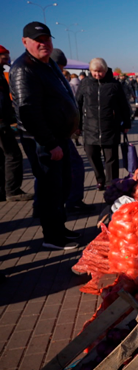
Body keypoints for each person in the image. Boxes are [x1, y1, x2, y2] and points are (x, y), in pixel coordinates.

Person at [10, 22, 80, 249]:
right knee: (51, 189)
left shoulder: (48, 65)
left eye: (47, 39)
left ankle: (59, 228)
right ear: (25, 42)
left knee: (62, 186)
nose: (44, 44)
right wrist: (50, 144)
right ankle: (52, 237)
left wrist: (72, 124)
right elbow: (28, 112)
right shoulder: (23, 69)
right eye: (38, 40)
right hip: (43, 142)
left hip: (59, 137)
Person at [76, 58, 131, 191]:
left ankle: (112, 183)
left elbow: (124, 105)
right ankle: (100, 179)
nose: (98, 74)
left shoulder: (114, 84)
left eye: (100, 71)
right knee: (92, 155)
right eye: (95, 71)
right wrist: (77, 125)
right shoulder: (85, 84)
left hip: (110, 127)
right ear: (90, 70)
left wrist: (126, 123)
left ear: (106, 70)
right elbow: (77, 104)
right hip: (90, 127)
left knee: (111, 158)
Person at [50, 48, 92, 213]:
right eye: (59, 66)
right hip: (55, 134)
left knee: (48, 172)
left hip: (58, 132)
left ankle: (43, 205)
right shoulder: (47, 79)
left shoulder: (55, 78)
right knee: (73, 166)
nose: (62, 70)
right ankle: (73, 201)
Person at [0, 45, 33, 202]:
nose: (6, 58)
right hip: (1, 124)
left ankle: (3, 190)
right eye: (3, 56)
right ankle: (12, 191)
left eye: (7, 55)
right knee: (13, 156)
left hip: (4, 122)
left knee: (4, 157)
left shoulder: (2, 73)